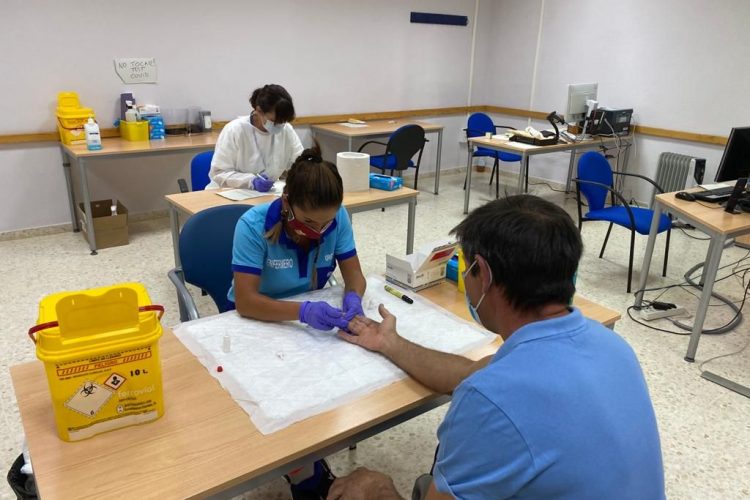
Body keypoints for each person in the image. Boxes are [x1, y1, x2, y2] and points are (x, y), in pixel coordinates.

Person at [330, 195, 665, 500]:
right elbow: (472, 373)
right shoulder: (611, 345)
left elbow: (487, 390)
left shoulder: (490, 399)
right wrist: (390, 342)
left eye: (467, 267)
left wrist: (378, 491)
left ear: (484, 275)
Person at [229, 148, 367, 499]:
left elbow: (355, 276)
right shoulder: (252, 226)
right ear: (287, 202)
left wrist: (353, 298)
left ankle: (311, 454)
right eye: (309, 222)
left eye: (326, 224)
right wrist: (303, 313)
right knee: (273, 399)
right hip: (259, 321)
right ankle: (305, 471)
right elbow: (246, 301)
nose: (319, 232)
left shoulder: (338, 219)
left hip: (307, 326)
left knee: (327, 384)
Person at [207, 84, 304, 191]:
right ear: (259, 111)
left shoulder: (286, 130)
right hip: (228, 194)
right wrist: (251, 181)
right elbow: (219, 173)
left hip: (266, 196)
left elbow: (300, 163)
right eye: (275, 121)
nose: (280, 125)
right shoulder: (235, 130)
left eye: (283, 121)